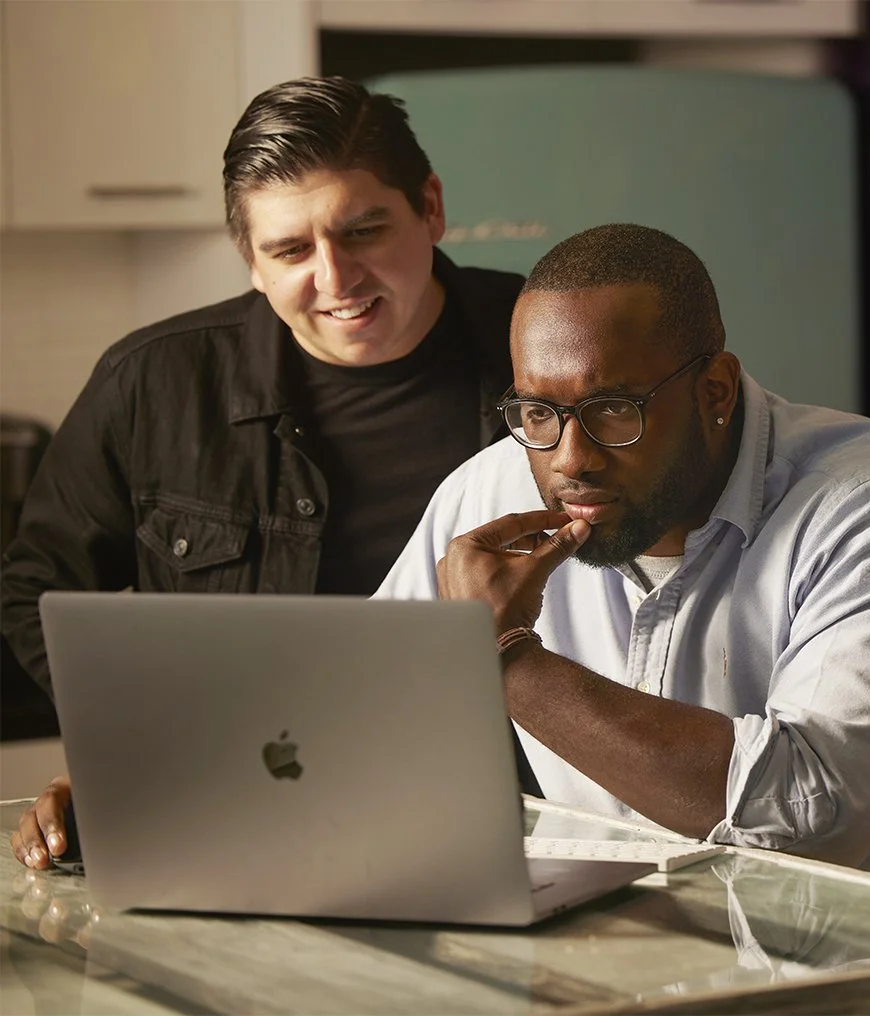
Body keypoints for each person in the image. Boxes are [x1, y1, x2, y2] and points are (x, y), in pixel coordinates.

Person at [382, 224, 870, 907]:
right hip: (644, 957)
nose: (569, 458)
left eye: (614, 409)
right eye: (537, 412)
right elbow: (360, 707)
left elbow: (808, 826)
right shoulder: (493, 491)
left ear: (715, 390)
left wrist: (507, 660)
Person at [7, 76, 527, 870]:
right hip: (243, 813)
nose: (335, 278)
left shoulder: (549, 354)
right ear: (250, 260)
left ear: (430, 205)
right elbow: (34, 585)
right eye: (290, 249)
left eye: (363, 231)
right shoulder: (153, 381)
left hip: (521, 818)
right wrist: (133, 746)